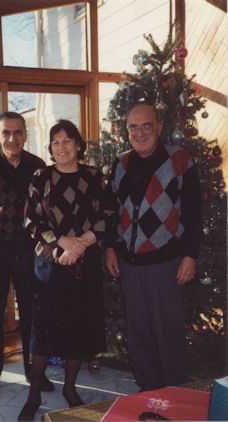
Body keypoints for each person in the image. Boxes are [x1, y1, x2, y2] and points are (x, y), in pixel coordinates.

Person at [105, 104, 202, 392]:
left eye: (146, 125)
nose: (140, 132)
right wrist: (110, 249)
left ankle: (175, 393)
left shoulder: (180, 160)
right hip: (130, 264)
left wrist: (190, 255)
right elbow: (111, 212)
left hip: (166, 263)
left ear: (159, 127)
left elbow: (195, 212)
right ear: (126, 131)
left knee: (168, 332)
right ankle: (149, 392)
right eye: (133, 127)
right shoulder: (120, 164)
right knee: (138, 334)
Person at [18, 119, 106, 421]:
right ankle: (33, 393)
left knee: (77, 328)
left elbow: (106, 217)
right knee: (43, 330)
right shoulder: (40, 176)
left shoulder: (94, 176)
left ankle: (70, 388)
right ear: (51, 148)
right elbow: (31, 221)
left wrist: (79, 245)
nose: (62, 146)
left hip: (84, 265)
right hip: (49, 263)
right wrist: (62, 243)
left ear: (79, 145)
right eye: (56, 141)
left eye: (67, 140)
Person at [0, 111, 53, 398]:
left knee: (31, 311)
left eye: (18, 132)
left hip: (27, 248)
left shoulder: (38, 166)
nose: (12, 138)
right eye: (6, 132)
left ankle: (34, 372)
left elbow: (44, 209)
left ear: (25, 134)